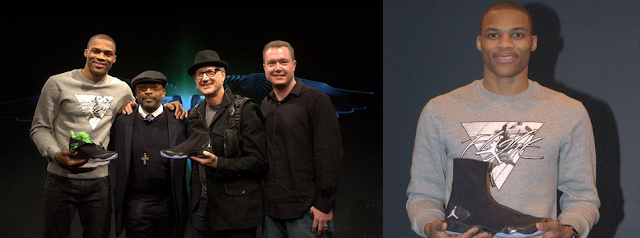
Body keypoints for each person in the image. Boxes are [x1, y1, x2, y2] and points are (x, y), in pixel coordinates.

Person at [406, 1, 600, 238]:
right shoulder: (440, 110)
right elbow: (422, 195)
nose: (505, 44)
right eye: (493, 35)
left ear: (533, 42)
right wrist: (430, 226)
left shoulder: (569, 111)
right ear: (480, 42)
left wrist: (568, 230)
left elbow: (583, 198)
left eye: (517, 34)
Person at [30, 34, 133, 238]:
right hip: (60, 179)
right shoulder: (57, 83)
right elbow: (39, 128)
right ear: (86, 53)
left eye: (107, 53)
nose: (101, 56)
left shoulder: (121, 89)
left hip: (99, 182)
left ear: (114, 59)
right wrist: (55, 154)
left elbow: (140, 113)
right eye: (96, 51)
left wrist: (173, 107)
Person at [260, 40, 343, 238]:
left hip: (307, 213)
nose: (278, 68)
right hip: (271, 213)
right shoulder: (265, 103)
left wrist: (324, 204)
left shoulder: (316, 100)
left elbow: (329, 155)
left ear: (294, 65)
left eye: (283, 62)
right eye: (272, 63)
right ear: (264, 68)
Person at [185, 50, 267, 238]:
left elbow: (259, 161)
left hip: (237, 210)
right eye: (199, 74)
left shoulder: (244, 109)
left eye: (210, 72)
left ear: (223, 74)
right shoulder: (194, 114)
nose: (204, 78)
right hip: (204, 207)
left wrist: (219, 164)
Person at [109, 70, 189, 237]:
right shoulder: (123, 121)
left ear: (163, 92)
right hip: (136, 203)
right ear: (135, 94)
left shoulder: (179, 119)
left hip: (169, 201)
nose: (148, 91)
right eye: (142, 88)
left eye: (154, 87)